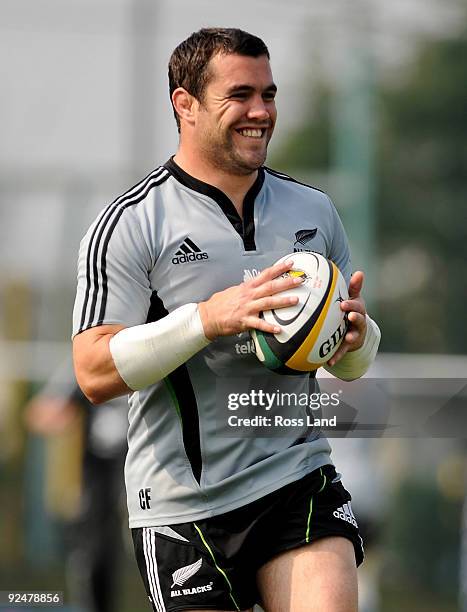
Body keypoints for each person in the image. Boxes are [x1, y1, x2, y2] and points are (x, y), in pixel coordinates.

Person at [72, 28, 381, 612]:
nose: (260, 112)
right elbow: (91, 372)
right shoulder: (132, 224)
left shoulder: (314, 211)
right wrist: (206, 319)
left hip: (297, 476)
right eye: (239, 95)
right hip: (182, 507)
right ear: (184, 104)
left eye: (269, 94)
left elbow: (355, 362)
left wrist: (357, 341)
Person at [25, 360, 128, 612]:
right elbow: (39, 413)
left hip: (148, 473)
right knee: (94, 547)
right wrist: (57, 413)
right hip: (100, 474)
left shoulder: (156, 352)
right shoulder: (86, 361)